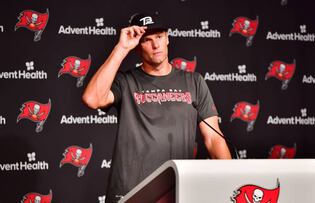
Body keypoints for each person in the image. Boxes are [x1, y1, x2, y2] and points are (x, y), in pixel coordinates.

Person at [82, 12, 231, 203]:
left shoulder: (194, 82)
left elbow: (213, 139)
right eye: (147, 40)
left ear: (167, 38)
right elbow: (92, 99)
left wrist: (230, 181)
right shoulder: (125, 82)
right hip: (130, 192)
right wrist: (121, 48)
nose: (155, 45)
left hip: (176, 190)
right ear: (137, 47)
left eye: (159, 37)